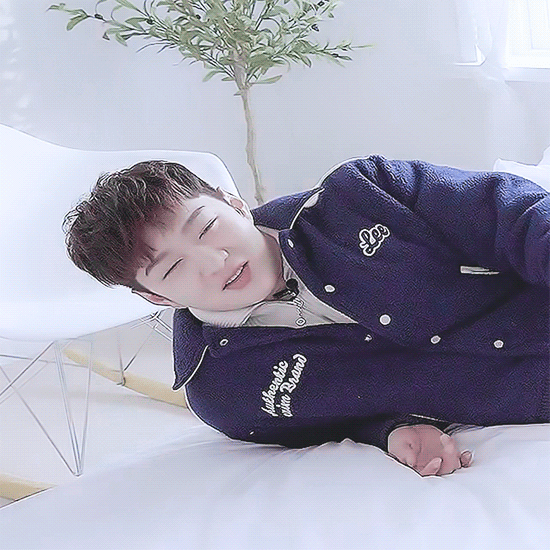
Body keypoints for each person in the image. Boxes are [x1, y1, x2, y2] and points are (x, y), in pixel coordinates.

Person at [64, 156, 550, 477]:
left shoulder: (361, 193)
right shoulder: (224, 393)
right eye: (173, 268)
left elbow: (513, 213)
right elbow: (329, 426)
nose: (215, 262)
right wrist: (391, 430)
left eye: (207, 227)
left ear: (235, 203)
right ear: (156, 298)